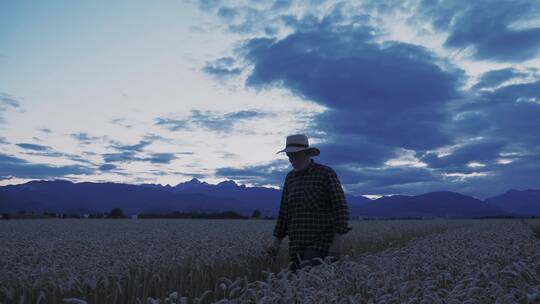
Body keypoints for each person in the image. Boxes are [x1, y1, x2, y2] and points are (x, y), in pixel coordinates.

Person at [265, 134, 352, 271]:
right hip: (296, 245)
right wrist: (276, 243)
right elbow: (284, 212)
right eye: (289, 155)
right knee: (296, 287)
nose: (291, 159)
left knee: (307, 281)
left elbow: (340, 207)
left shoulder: (325, 173)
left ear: (306, 153)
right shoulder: (290, 178)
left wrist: (337, 242)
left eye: (295, 155)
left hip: (320, 244)